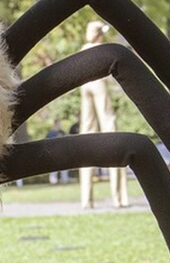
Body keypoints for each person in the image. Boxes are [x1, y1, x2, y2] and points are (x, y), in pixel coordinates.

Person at [77, 21, 129, 209]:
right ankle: (119, 197)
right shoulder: (102, 49)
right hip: (98, 86)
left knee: (86, 136)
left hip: (85, 87)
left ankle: (86, 199)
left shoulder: (83, 49)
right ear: (99, 34)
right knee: (110, 130)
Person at [45, 118, 68, 184]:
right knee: (53, 169)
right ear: (55, 124)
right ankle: (53, 182)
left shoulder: (63, 132)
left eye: (60, 123)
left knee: (64, 169)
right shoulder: (50, 134)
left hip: (62, 153)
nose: (59, 125)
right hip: (53, 153)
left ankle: (65, 181)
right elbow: (47, 144)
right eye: (58, 123)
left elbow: (66, 142)